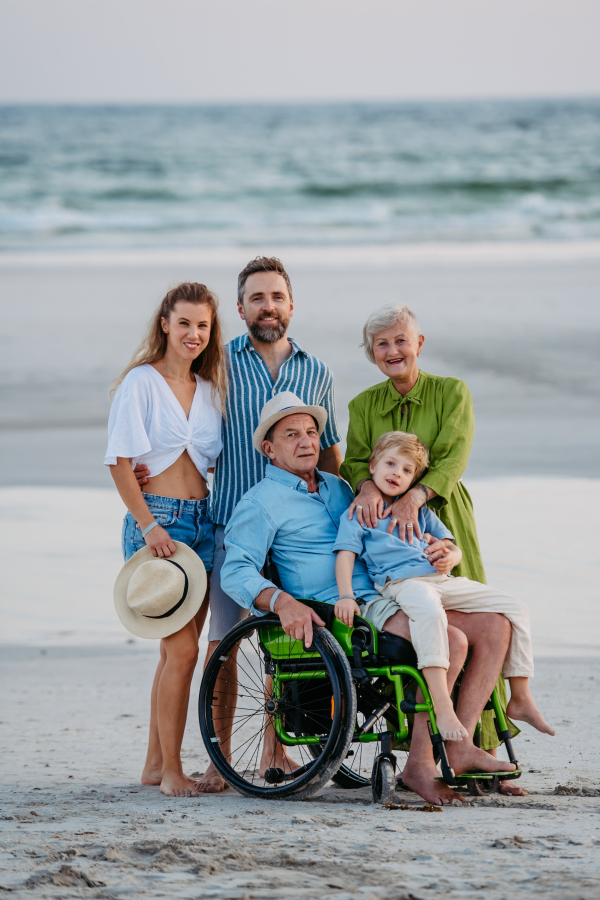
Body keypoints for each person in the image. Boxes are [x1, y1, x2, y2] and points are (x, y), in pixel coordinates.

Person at [221, 394, 521, 806]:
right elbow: (235, 571)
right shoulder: (260, 502)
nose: (306, 441)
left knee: (496, 625)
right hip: (338, 611)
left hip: (389, 588)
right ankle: (420, 764)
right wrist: (282, 603)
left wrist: (445, 551)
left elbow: (389, 528)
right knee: (451, 640)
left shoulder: (340, 488)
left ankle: (460, 743)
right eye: (291, 434)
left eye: (311, 432)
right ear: (269, 449)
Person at [134, 256, 343, 792]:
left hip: (298, 536)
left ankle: (278, 751)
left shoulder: (318, 372)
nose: (267, 306)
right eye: (257, 297)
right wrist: (149, 462)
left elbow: (329, 453)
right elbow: (180, 414)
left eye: (276, 297)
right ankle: (218, 757)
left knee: (288, 641)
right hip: (231, 525)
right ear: (241, 307)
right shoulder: (217, 364)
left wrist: (339, 522)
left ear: (291, 305)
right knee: (222, 644)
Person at [339, 302, 524, 786]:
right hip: (383, 531)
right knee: (436, 625)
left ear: (419, 343)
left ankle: (476, 745)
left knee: (486, 619)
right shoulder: (363, 405)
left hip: (441, 513)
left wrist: (416, 496)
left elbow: (453, 453)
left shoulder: (451, 392)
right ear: (372, 354)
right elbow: (354, 462)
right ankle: (427, 752)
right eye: (382, 344)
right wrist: (371, 489)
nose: (393, 350)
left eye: (402, 340)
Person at [334, 430, 555, 742]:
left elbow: (452, 547)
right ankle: (441, 703)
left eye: (407, 470)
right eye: (391, 464)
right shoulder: (361, 512)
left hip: (440, 579)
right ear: (373, 467)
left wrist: (449, 556)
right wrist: (346, 595)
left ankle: (519, 696)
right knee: (430, 613)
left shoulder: (420, 511)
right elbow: (345, 556)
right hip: (401, 584)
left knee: (514, 607)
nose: (397, 473)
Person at [105, 282, 227, 797]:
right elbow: (118, 462)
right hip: (160, 522)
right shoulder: (142, 383)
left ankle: (155, 763)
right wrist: (150, 526)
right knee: (180, 652)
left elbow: (216, 461)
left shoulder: (210, 389)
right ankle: (173, 770)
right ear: (165, 325)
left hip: (204, 520)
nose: (193, 334)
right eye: (184, 324)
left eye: (202, 325)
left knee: (180, 650)